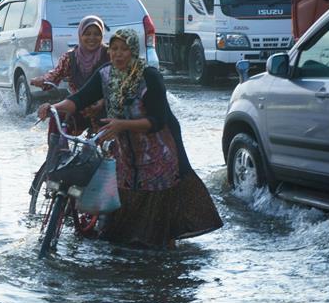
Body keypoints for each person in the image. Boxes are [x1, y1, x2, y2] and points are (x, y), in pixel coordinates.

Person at [39, 28, 222, 248]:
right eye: (114, 49)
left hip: (159, 152)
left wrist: (122, 125)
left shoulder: (149, 77)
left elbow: (157, 120)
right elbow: (79, 99)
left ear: (133, 51)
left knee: (159, 229)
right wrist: (53, 108)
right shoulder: (105, 74)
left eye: (124, 49)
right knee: (123, 228)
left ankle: (163, 263)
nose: (118, 54)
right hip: (127, 153)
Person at [32, 15, 110, 135]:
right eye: (87, 34)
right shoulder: (70, 57)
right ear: (80, 35)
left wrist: (102, 102)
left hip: (105, 108)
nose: (92, 38)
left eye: (96, 34)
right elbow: (55, 75)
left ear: (102, 35)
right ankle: (57, 152)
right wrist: (42, 80)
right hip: (77, 107)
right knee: (56, 118)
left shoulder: (109, 54)